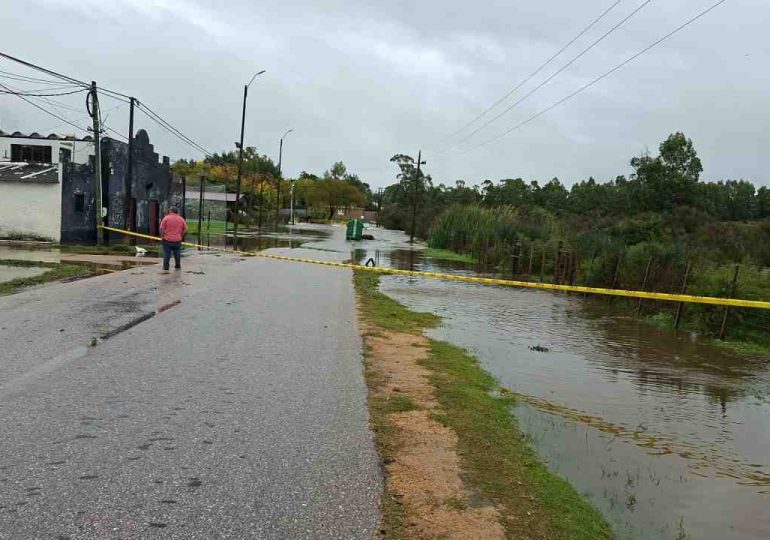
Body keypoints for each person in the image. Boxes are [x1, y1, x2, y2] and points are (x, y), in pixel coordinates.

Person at [159, 207, 187, 272]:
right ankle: (177, 266)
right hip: (177, 240)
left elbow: (161, 229)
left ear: (171, 211)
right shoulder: (181, 219)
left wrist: (162, 237)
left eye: (169, 210)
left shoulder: (166, 218)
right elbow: (186, 230)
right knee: (177, 254)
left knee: (166, 254)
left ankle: (166, 267)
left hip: (167, 240)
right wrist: (181, 236)